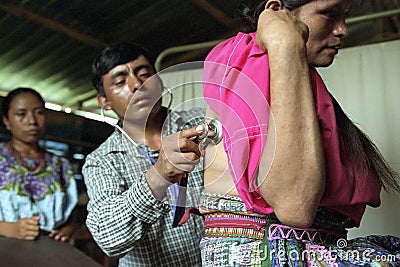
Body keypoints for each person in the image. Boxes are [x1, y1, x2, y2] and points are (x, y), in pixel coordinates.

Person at [200, 0, 400, 266]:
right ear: (277, 10)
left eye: (344, 16)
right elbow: (295, 204)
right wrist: (285, 42)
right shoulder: (255, 59)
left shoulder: (286, 72)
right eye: (329, 13)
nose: (343, 30)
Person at [82, 42, 206, 266]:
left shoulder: (202, 123)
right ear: (104, 102)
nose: (137, 84)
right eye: (120, 81)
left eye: (145, 74)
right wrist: (157, 178)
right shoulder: (102, 161)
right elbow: (109, 239)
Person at [0, 87, 78, 242]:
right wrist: (8, 228)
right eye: (21, 114)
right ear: (6, 121)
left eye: (39, 113)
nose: (32, 121)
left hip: (50, 253)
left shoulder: (60, 165)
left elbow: (71, 206)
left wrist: (69, 228)